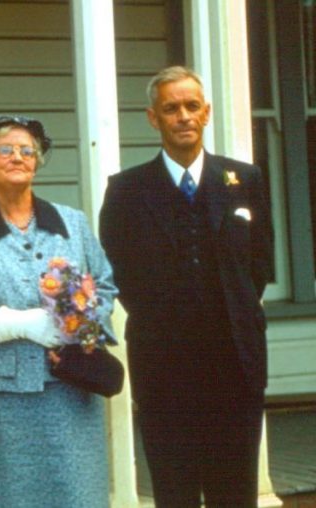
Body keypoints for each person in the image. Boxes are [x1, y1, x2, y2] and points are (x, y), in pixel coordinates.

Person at [99, 66, 273, 507]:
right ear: (153, 118)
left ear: (207, 113)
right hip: (164, 366)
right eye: (171, 108)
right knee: (174, 491)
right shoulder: (126, 191)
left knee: (234, 491)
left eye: (192, 106)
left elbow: (259, 265)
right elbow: (120, 273)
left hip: (235, 363)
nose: (183, 117)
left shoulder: (244, 180)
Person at [0, 115, 117, 507]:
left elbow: (105, 284)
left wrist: (79, 324)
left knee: (76, 494)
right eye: (5, 150)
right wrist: (14, 324)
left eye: (27, 151)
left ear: (37, 162)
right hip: (1, 399)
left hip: (71, 387)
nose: (17, 157)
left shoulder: (73, 223)